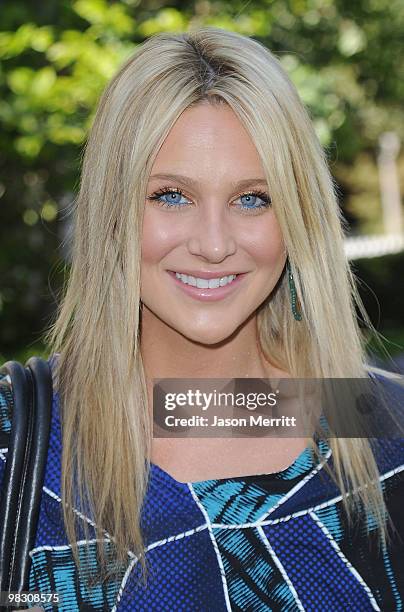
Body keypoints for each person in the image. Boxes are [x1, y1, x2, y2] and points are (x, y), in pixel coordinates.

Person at [1, 26, 403, 611]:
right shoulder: (20, 444)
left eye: (252, 199)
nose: (214, 245)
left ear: (296, 219)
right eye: (170, 195)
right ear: (110, 211)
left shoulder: (378, 423)